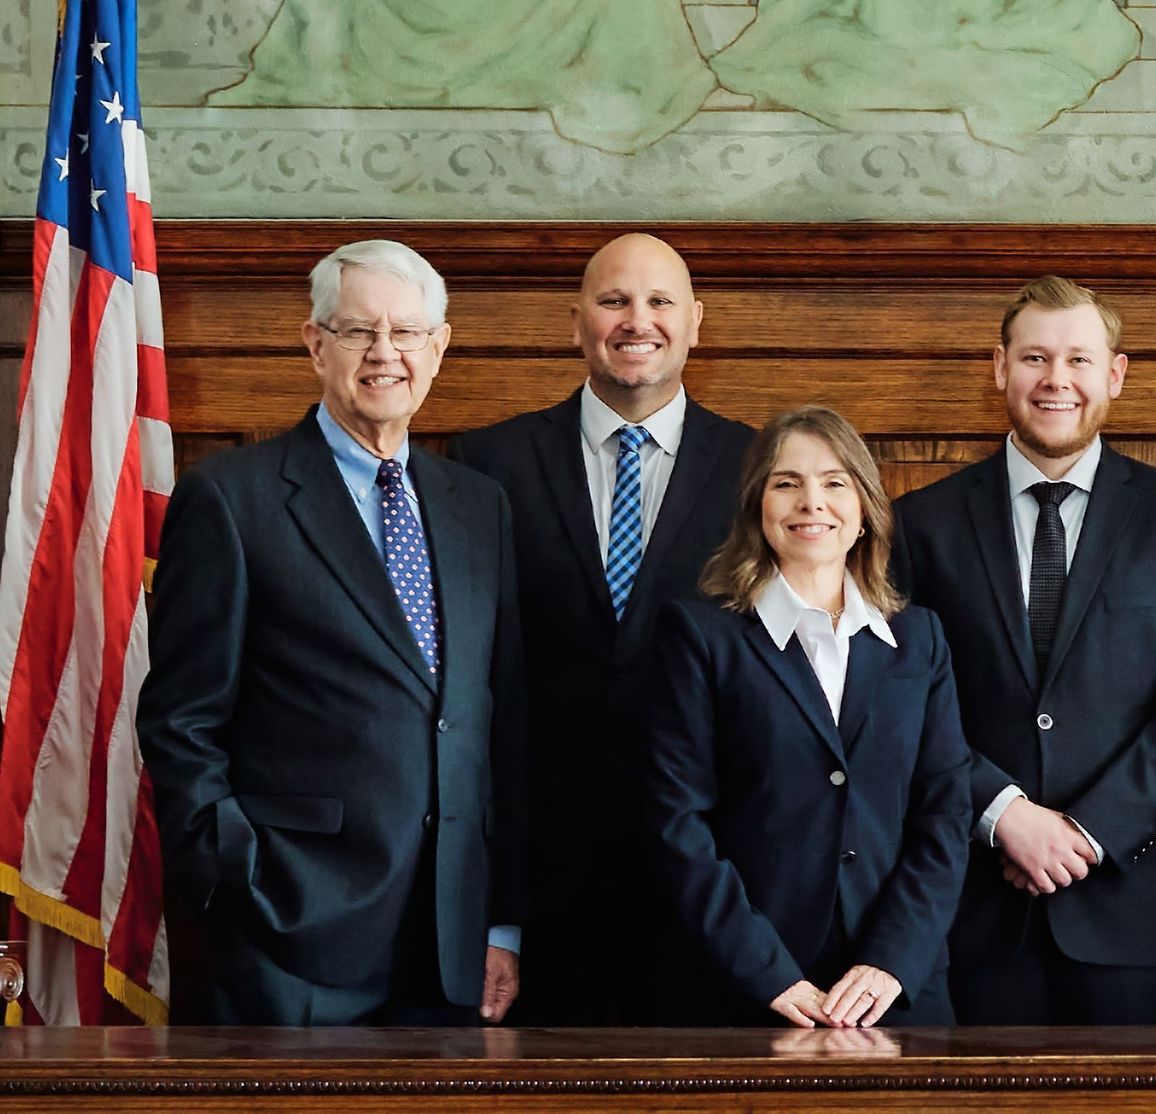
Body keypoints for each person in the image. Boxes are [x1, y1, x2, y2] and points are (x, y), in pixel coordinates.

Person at [137, 240, 528, 1025]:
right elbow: (181, 722)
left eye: (407, 334)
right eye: (357, 332)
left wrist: (501, 921)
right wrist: (237, 880)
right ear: (316, 344)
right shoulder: (231, 499)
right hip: (289, 940)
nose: (385, 354)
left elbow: (501, 720)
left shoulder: (478, 505)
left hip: (454, 943)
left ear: (439, 347)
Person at [892, 276, 1156, 1025]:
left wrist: (1086, 833)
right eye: (1035, 359)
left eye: (1079, 360)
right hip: (971, 916)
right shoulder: (921, 524)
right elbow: (901, 702)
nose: (1057, 381)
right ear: (1000, 368)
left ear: (1114, 374)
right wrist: (1003, 813)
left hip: (1137, 920)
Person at [451, 232, 754, 1025]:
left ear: (696, 323)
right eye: (614, 300)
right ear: (577, 321)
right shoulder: (485, 467)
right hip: (538, 884)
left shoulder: (764, 472)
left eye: (659, 302)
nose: (636, 320)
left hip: (716, 881)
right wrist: (496, 911)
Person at [644, 407, 971, 1027]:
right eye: (786, 483)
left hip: (896, 994)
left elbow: (945, 815)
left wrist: (891, 963)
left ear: (866, 507)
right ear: (756, 506)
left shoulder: (919, 639)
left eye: (834, 482)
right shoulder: (701, 635)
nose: (810, 502)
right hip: (747, 989)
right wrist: (767, 971)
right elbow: (676, 821)